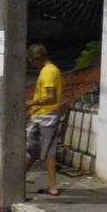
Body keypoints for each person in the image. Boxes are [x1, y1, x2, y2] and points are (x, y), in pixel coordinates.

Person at [25, 44, 63, 196]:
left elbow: (51, 96)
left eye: (31, 62)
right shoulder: (52, 70)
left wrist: (31, 103)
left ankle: (14, 182)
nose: (32, 65)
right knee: (48, 152)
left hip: (43, 117)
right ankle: (52, 186)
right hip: (49, 116)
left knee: (32, 150)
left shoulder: (47, 72)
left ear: (37, 58)